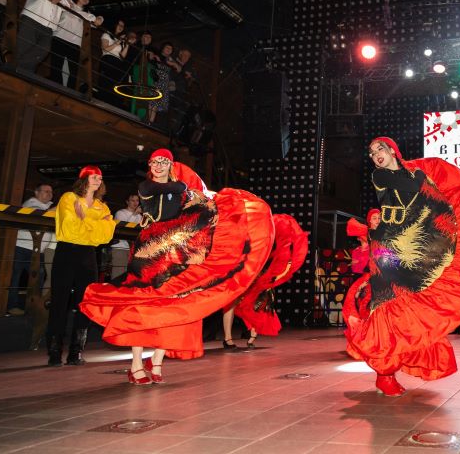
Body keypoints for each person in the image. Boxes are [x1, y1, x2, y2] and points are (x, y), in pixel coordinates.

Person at [80, 149, 274, 385]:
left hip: (173, 252)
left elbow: (201, 208)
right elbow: (172, 188)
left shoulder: (182, 190)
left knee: (174, 304)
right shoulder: (147, 186)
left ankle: (157, 362)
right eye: (155, 162)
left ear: (170, 165)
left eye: (164, 162)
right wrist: (184, 187)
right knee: (141, 303)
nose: (159, 165)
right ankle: (136, 365)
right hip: (148, 252)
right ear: (150, 165)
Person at [343, 136, 460, 396]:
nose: (375, 154)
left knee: (413, 307)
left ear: (392, 150)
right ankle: (384, 374)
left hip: (412, 249)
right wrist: (420, 173)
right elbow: (413, 185)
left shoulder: (415, 174)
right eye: (371, 152)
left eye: (380, 148)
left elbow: (433, 204)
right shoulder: (380, 176)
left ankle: (394, 365)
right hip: (387, 251)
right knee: (387, 305)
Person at [47, 167, 116, 367]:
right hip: (66, 251)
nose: (98, 180)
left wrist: (83, 218)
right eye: (94, 177)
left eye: (100, 178)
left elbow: (106, 235)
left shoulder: (102, 207)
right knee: (59, 300)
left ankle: (76, 351)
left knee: (85, 302)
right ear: (84, 179)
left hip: (88, 255)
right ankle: (54, 351)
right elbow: (69, 227)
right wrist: (94, 224)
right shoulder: (69, 198)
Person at [222, 214, 309, 349]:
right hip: (238, 269)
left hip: (256, 272)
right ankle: (228, 338)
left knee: (257, 301)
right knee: (231, 302)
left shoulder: (266, 235)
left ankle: (252, 333)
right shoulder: (241, 233)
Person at [15, 0, 71, 75]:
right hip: (33, 17)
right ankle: (24, 74)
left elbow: (69, 4)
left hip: (50, 25)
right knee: (24, 46)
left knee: (43, 50)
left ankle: (17, 68)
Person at [7, 183, 55, 315]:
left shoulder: (48, 206)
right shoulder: (30, 203)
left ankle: (34, 306)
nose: (49, 194)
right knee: (15, 278)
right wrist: (61, 207)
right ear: (36, 192)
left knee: (37, 280)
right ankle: (11, 306)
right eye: (46, 191)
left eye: (51, 192)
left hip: (38, 251)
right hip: (22, 247)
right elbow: (39, 215)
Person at [50, 0, 102, 88]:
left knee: (73, 71)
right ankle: (55, 88)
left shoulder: (87, 14)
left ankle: (70, 91)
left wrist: (100, 18)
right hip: (59, 38)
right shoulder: (67, 4)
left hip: (74, 43)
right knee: (56, 65)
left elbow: (97, 22)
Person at [98, 20, 135, 106]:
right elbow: (105, 49)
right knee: (107, 83)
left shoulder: (120, 39)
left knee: (116, 84)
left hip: (118, 62)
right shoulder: (106, 34)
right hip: (108, 59)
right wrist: (118, 42)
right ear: (114, 25)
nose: (121, 27)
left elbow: (122, 56)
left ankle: (115, 103)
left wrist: (127, 45)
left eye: (123, 26)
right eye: (119, 24)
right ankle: (103, 101)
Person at [346, 208, 380, 275]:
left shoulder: (384, 232)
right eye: (374, 218)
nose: (377, 220)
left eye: (379, 218)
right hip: (368, 265)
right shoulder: (365, 231)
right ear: (370, 220)